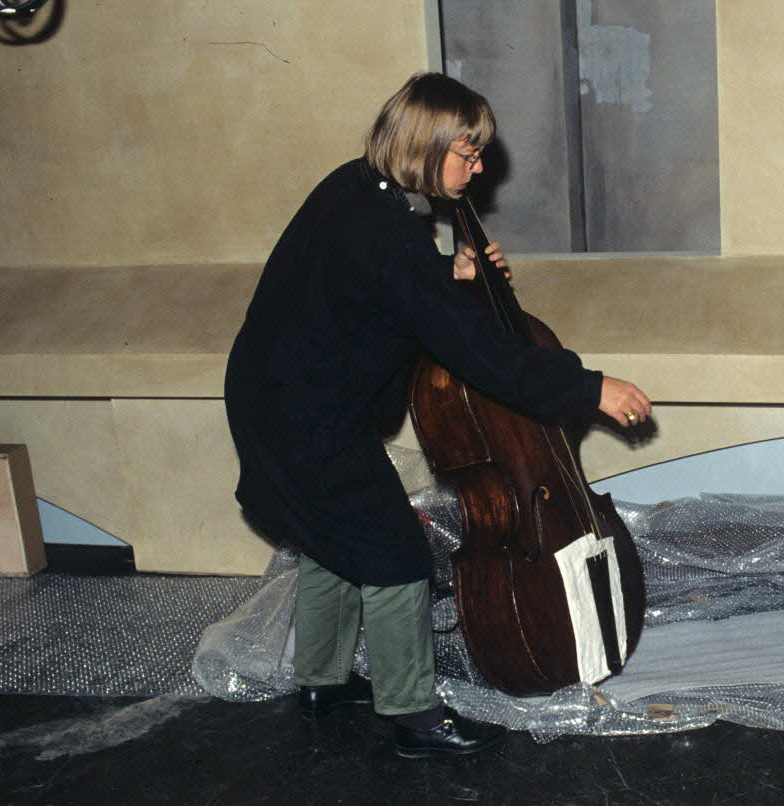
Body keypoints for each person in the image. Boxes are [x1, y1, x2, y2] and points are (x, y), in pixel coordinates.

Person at [224, 72, 651, 758]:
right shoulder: (392, 236)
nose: (479, 168)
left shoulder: (355, 187)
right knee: (393, 553)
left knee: (335, 536)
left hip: (273, 394)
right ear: (423, 147)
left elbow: (370, 288)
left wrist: (443, 280)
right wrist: (589, 386)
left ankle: (321, 683)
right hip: (304, 414)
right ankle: (413, 716)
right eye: (467, 153)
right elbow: (484, 355)